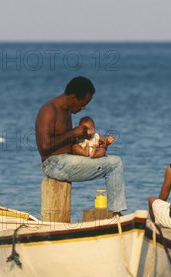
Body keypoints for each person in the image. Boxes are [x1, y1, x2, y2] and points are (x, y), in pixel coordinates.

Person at [35, 76, 127, 213]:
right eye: (82, 104)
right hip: (53, 164)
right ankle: (116, 213)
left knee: (107, 157)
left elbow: (66, 142)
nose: (83, 108)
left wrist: (88, 141)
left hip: (67, 160)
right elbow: (44, 147)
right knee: (115, 163)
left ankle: (115, 213)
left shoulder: (67, 111)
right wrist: (72, 133)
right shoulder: (49, 110)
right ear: (73, 97)